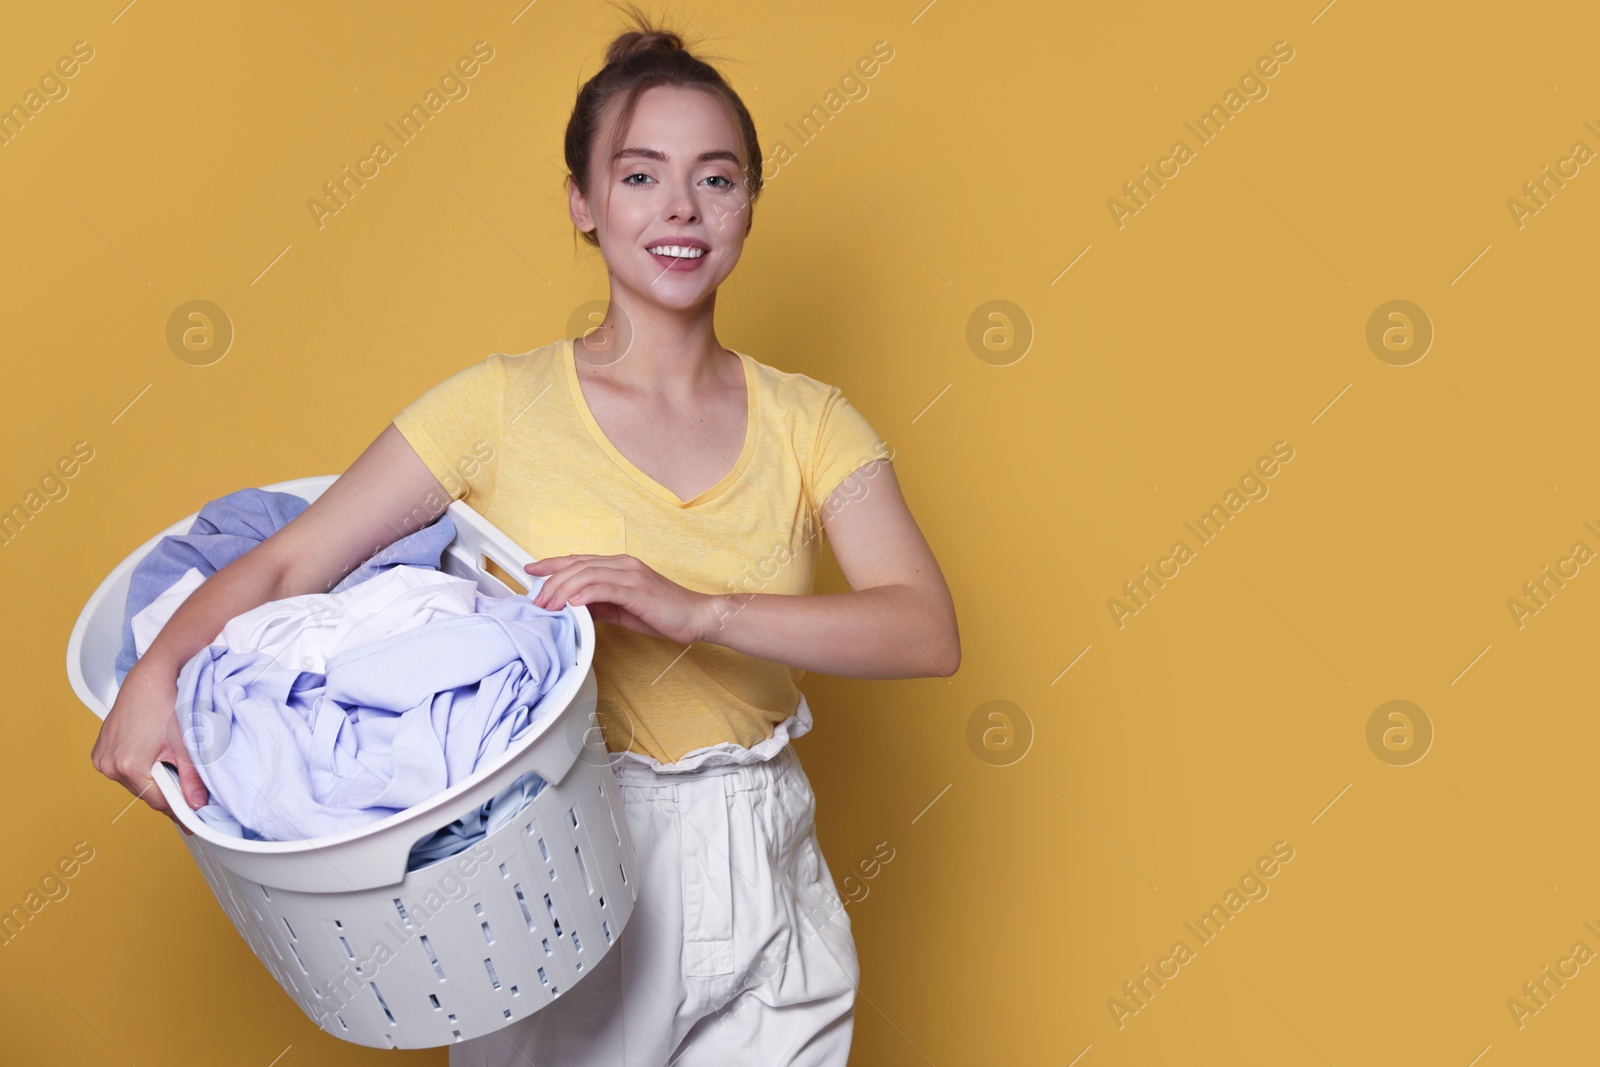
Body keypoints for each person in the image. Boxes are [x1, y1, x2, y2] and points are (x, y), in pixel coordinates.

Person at [90, 6, 959, 1064]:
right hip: (564, 861)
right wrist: (157, 673)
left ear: (748, 204)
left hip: (770, 857)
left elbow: (922, 630)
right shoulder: (492, 409)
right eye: (638, 176)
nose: (679, 207)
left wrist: (696, 607)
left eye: (716, 177)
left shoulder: (813, 422)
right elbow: (287, 558)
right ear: (581, 203)